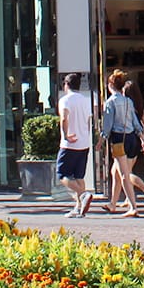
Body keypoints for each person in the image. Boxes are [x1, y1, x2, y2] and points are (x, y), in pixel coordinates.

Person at [101, 70, 144, 217]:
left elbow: (107, 125)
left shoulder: (110, 102)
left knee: (124, 174)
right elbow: (136, 122)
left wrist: (101, 139)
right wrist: (142, 137)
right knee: (116, 172)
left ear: (111, 85)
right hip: (131, 139)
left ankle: (133, 206)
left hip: (118, 140)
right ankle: (113, 204)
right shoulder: (128, 102)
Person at [57, 72, 95, 217]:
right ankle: (79, 208)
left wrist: (66, 134)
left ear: (66, 85)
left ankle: (83, 194)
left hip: (69, 144)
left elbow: (64, 118)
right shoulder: (85, 100)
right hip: (83, 142)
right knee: (79, 176)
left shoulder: (65, 100)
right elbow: (88, 121)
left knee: (62, 174)